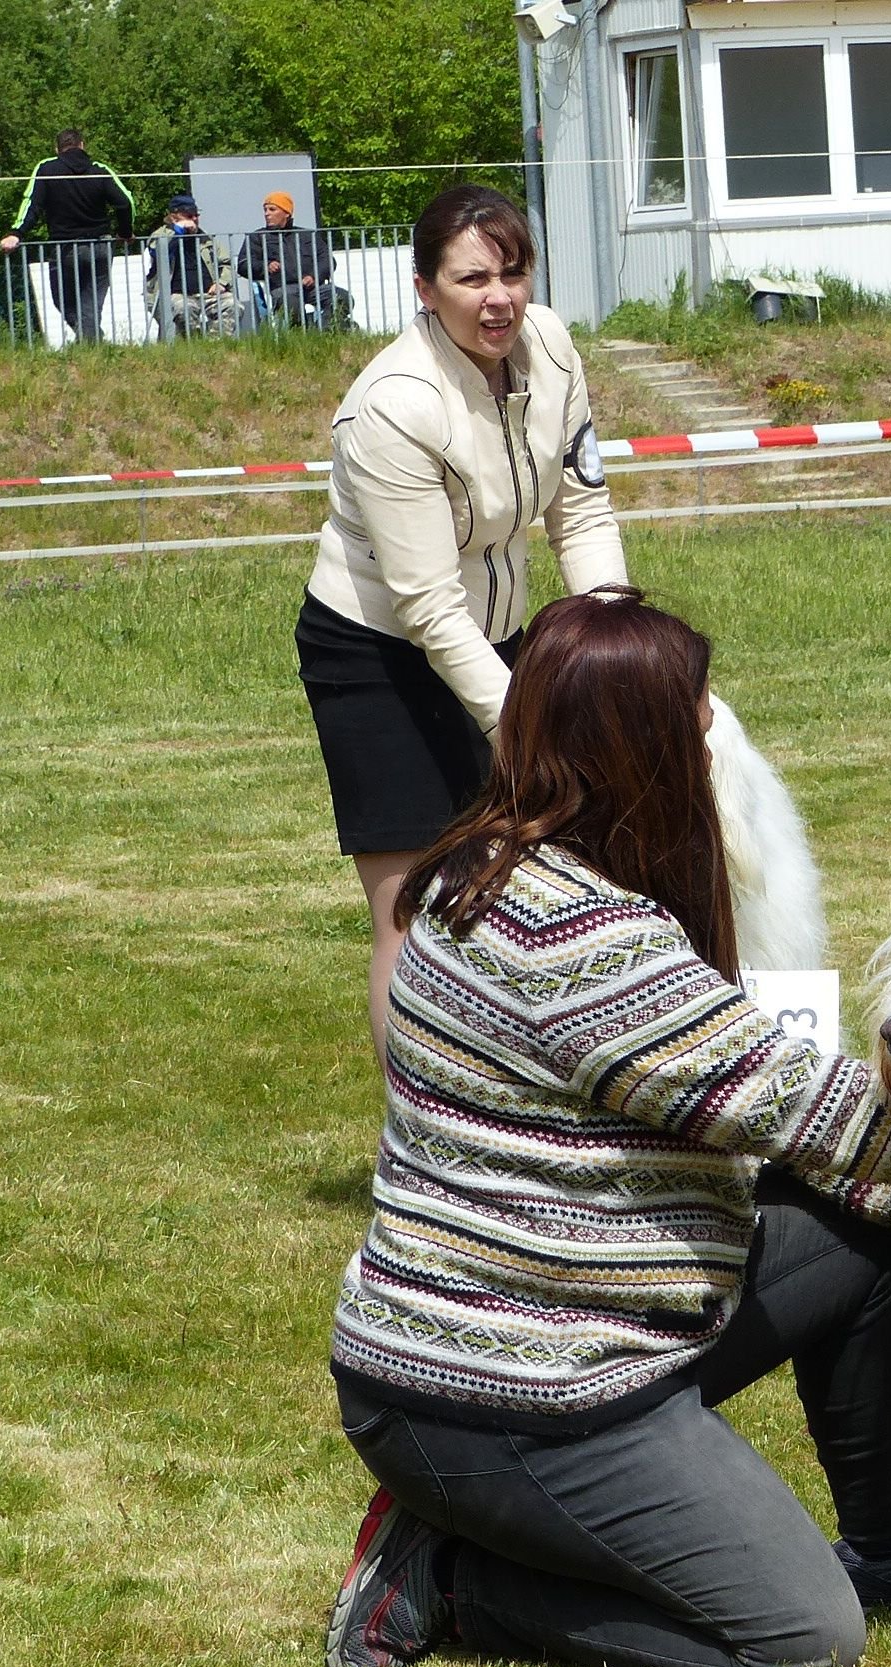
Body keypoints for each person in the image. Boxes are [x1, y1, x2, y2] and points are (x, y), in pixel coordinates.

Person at [323, 587, 891, 1667]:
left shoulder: (482, 872)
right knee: (798, 1636)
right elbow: (823, 1113)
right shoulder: (589, 946)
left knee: (854, 1237)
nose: (715, 740)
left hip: (518, 1330)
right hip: (516, 1393)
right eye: (696, 723)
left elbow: (797, 1145)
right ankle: (451, 1579)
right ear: (636, 751)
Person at [295, 183, 627, 1060]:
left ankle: (513, 1107)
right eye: (473, 277)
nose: (500, 298)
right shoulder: (393, 407)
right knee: (409, 912)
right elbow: (428, 606)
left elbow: (582, 515)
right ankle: (418, 1142)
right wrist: (525, 722)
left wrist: (620, 662)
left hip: (498, 634)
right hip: (379, 654)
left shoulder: (552, 346)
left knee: (516, 892)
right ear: (423, 288)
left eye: (514, 273)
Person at [0, 129, 135, 348]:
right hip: (101, 246)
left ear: (57, 149)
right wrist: (126, 232)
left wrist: (17, 232)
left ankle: (92, 350)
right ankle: (94, 345)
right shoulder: (100, 170)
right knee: (91, 304)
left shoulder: (46, 169)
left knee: (63, 301)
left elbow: (32, 204)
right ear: (82, 145)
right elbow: (125, 202)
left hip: (65, 249)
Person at [239, 191, 352, 331]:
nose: (267, 214)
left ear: (286, 213)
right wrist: (265, 267)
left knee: (343, 297)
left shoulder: (307, 235)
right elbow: (243, 264)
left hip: (313, 287)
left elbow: (327, 260)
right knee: (291, 304)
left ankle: (325, 329)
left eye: (272, 209)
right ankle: (300, 335)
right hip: (283, 289)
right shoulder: (257, 237)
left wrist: (314, 276)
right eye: (265, 210)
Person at [144, 193, 242, 339]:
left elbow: (226, 262)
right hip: (175, 294)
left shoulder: (205, 238)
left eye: (196, 215)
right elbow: (157, 253)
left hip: (209, 293)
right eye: (189, 215)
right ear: (174, 217)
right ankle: (194, 345)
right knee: (183, 309)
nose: (194, 219)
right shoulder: (161, 235)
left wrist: (221, 283)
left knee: (233, 305)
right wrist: (178, 231)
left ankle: (215, 345)